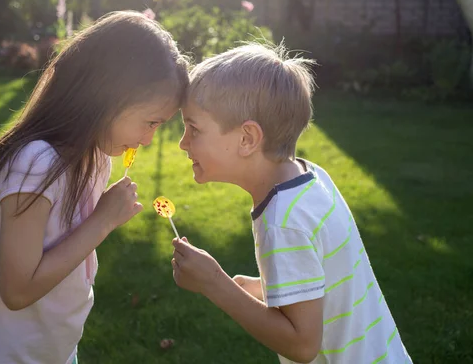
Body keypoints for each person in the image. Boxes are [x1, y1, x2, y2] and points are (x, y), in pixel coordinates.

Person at [0, 11, 189, 364]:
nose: (148, 139)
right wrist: (103, 221)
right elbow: (17, 290)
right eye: (150, 122)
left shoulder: (95, 160)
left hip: (47, 350)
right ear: (105, 96)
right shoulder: (34, 163)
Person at [171, 43, 411, 363]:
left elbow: (302, 344)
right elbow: (322, 275)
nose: (182, 143)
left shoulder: (283, 222)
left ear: (247, 139)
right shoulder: (311, 178)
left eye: (194, 129)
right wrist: (260, 287)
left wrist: (215, 284)